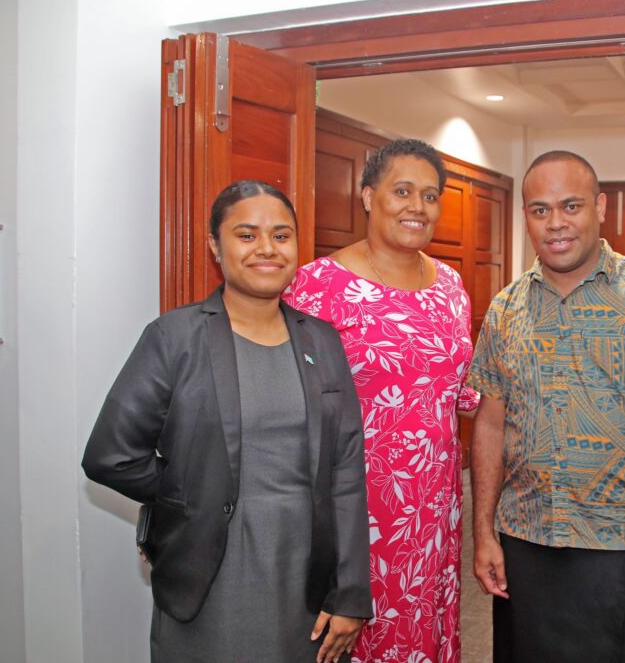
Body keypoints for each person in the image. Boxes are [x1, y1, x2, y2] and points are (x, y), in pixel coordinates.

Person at [82, 180, 371, 663]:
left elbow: (345, 471)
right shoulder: (175, 337)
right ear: (216, 247)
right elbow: (111, 457)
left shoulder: (322, 340)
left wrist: (351, 593)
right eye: (247, 235)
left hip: (306, 572)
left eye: (281, 235)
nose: (267, 248)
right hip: (210, 573)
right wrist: (189, 496)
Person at [467, 150, 625, 662]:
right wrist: (483, 532)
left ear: (599, 207)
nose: (556, 223)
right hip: (527, 541)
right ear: (526, 216)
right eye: (540, 209)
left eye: (570, 206)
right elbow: (490, 425)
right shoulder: (505, 310)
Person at [284, 139, 478, 663]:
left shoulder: (451, 286)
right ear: (369, 196)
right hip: (358, 507)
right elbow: (288, 407)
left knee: (424, 630)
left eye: (430, 196)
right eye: (402, 191)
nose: (418, 206)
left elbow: (460, 392)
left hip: (435, 506)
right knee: (359, 636)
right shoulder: (317, 287)